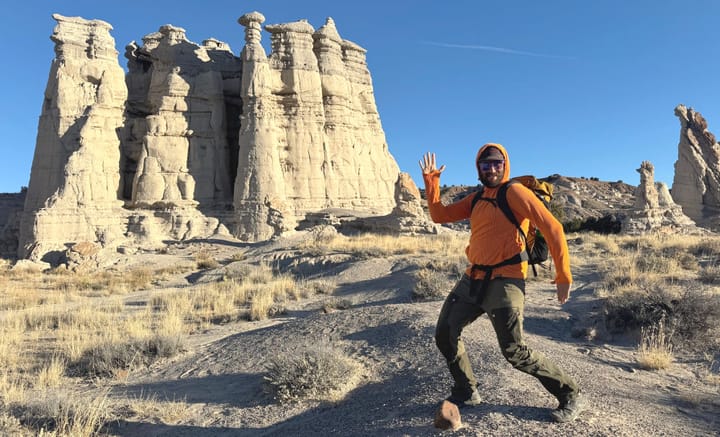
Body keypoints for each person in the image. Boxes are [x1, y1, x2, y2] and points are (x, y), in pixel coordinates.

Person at [418, 143, 585, 423]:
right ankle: (466, 390)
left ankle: (571, 394)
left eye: (497, 163)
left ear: (505, 165)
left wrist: (563, 275)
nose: (492, 169)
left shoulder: (515, 192)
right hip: (473, 278)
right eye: (486, 165)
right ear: (478, 169)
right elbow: (440, 216)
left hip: (506, 280)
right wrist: (432, 182)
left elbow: (553, 227)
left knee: (514, 351)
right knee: (445, 333)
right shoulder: (477, 198)